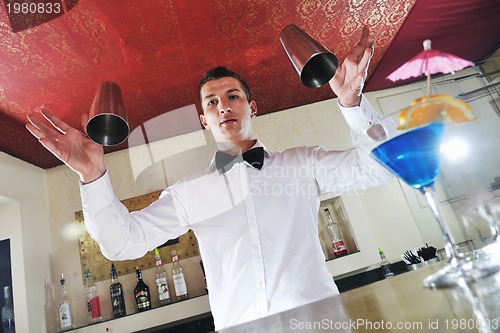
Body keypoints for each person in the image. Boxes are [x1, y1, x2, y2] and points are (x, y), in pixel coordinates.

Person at [26, 26, 392, 330]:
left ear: (252, 106)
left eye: (233, 96)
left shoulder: (303, 164)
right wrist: (92, 175)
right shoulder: (189, 193)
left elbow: (377, 167)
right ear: (204, 120)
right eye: (211, 103)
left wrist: (352, 104)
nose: (223, 107)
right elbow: (122, 244)